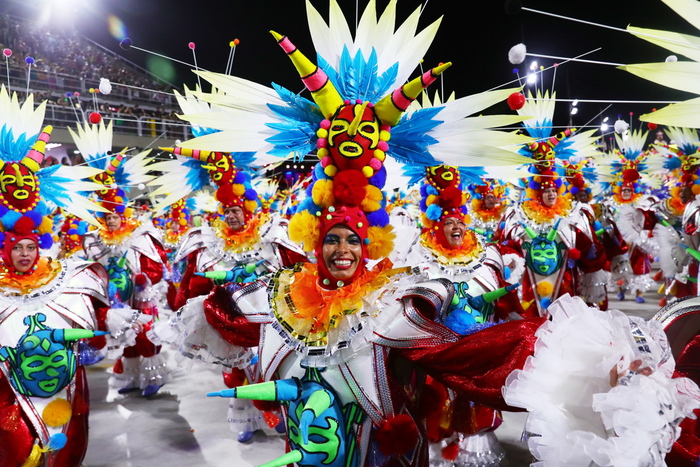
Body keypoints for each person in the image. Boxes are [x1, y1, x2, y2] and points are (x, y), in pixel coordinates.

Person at [0, 88, 111, 466]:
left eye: (31, 248)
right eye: (18, 248)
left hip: (63, 382)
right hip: (12, 388)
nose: (25, 254)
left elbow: (92, 309)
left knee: (70, 443)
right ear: (6, 250)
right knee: (14, 446)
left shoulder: (64, 278)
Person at [75, 121, 169, 398]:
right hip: (116, 298)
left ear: (122, 215)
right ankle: (131, 376)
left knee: (144, 336)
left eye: (115, 216)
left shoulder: (141, 235)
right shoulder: (95, 240)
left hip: (141, 298)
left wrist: (144, 279)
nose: (112, 220)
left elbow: (157, 264)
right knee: (124, 338)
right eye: (107, 217)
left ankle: (153, 377)